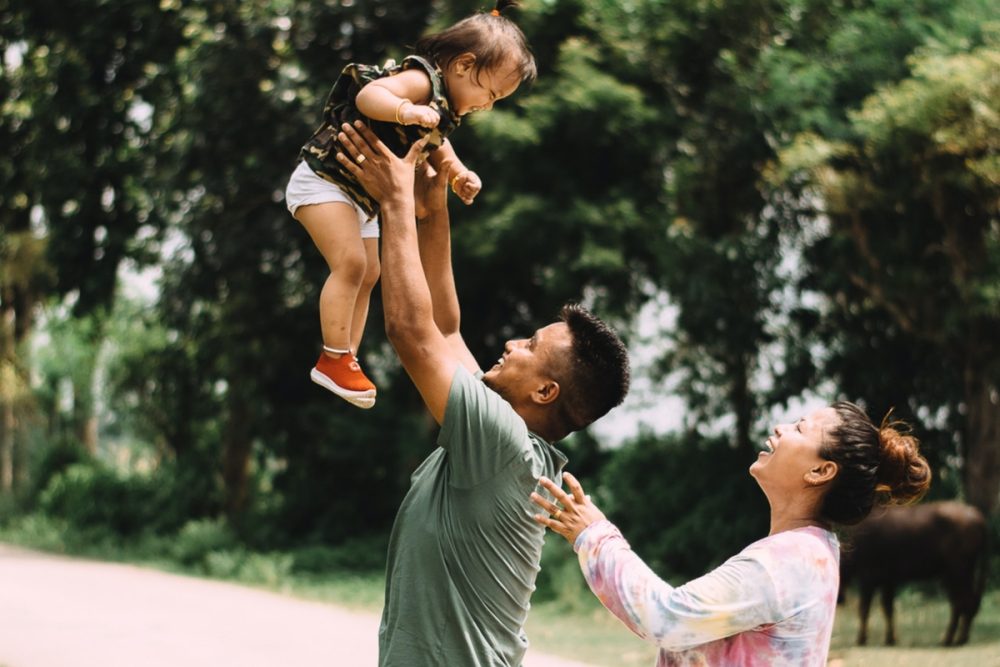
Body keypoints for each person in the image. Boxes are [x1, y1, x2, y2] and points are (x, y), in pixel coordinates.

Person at [332, 120, 631, 666]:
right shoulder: (507, 436)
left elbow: (412, 333)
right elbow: (445, 329)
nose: (513, 342)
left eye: (530, 344)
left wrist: (395, 198)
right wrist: (433, 205)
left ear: (545, 390)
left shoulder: (502, 445)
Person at [530, 402, 932, 667]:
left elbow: (666, 617)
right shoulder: (812, 552)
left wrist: (594, 535)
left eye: (800, 427)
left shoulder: (786, 562)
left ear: (820, 472)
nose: (780, 427)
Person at [285, 0, 536, 408]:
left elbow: (438, 147)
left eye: (495, 102)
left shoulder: (443, 108)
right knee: (350, 265)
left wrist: (457, 174)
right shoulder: (420, 80)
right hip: (324, 182)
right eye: (487, 93)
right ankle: (333, 355)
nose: (486, 106)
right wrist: (405, 109)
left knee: (370, 272)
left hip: (359, 197)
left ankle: (345, 357)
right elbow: (370, 95)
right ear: (462, 65)